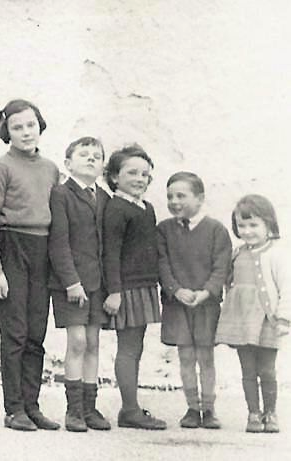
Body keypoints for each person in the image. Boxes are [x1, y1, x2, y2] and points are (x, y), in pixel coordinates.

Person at [0, 99, 60, 431]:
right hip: (12, 245)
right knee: (14, 332)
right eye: (17, 127)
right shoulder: (0, 167)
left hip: (42, 248)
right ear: (7, 131)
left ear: (39, 126)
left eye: (30, 125)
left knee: (36, 333)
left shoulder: (51, 168)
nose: (25, 132)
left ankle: (32, 404)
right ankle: (13, 408)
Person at [48, 137, 112, 432]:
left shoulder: (105, 197)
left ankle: (90, 408)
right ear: (68, 163)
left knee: (94, 342)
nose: (90, 159)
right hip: (71, 283)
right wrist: (71, 282)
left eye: (96, 156)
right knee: (77, 342)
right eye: (83, 154)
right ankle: (73, 410)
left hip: (97, 284)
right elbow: (59, 243)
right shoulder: (61, 194)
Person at [158, 172, 231, 430]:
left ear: (200, 198)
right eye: (170, 196)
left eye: (181, 195)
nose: (174, 201)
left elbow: (221, 267)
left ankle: (209, 408)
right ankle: (191, 408)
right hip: (178, 305)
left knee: (206, 357)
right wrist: (175, 290)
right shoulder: (164, 230)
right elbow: (162, 264)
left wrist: (207, 292)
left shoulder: (216, 230)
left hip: (206, 305)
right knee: (186, 356)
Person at [101, 145, 166, 430]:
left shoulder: (146, 208)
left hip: (144, 285)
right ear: (114, 177)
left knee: (136, 347)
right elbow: (111, 252)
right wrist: (114, 291)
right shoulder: (116, 208)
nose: (140, 178)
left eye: (145, 174)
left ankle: (132, 407)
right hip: (126, 289)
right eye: (132, 173)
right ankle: (129, 410)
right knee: (128, 349)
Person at [215, 194, 288, 433]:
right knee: (247, 370)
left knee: (267, 369)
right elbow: (229, 282)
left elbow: (287, 287)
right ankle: (253, 413)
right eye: (241, 226)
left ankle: (271, 413)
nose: (247, 231)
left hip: (267, 321)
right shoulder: (237, 254)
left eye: (253, 225)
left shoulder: (277, 254)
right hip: (242, 321)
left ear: (269, 224)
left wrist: (284, 318)